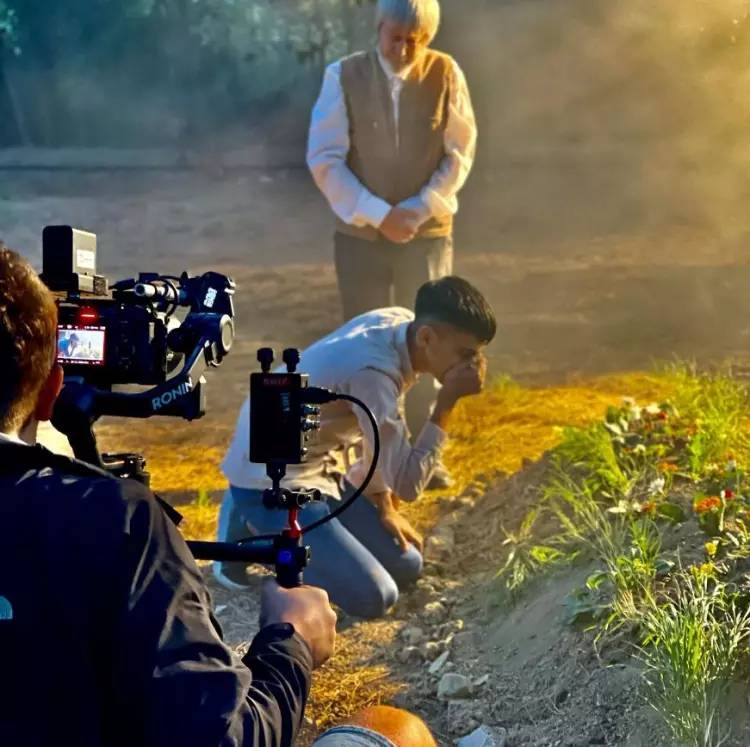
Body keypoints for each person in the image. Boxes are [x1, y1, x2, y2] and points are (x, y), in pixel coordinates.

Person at [0, 245, 337, 747]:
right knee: (392, 733)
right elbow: (218, 739)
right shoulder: (117, 522)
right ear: (51, 392)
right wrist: (292, 642)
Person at [217, 276, 495, 619]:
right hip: (272, 478)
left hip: (318, 462)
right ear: (426, 337)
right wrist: (447, 402)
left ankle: (268, 521)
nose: (473, 366)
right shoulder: (374, 371)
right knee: (375, 597)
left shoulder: (398, 322)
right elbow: (408, 485)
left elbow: (374, 431)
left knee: (407, 564)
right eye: (466, 354)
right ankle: (245, 533)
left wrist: (384, 506)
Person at [306, 0, 478, 486]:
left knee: (433, 342)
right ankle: (364, 459)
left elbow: (460, 153)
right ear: (379, 27)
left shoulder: (446, 73)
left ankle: (425, 456)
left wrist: (418, 209)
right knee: (365, 346)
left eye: (415, 40)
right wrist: (381, 216)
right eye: (396, 37)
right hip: (360, 236)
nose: (405, 48)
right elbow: (325, 158)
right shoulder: (343, 75)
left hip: (427, 236)